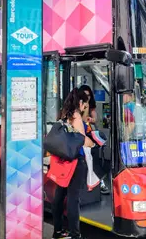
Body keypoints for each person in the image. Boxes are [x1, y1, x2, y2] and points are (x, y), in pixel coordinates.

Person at [51, 88, 94, 239]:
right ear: (80, 102)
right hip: (75, 162)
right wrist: (93, 142)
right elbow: (82, 141)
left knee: (59, 196)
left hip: (62, 161)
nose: (84, 108)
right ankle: (75, 234)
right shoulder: (76, 116)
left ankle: (57, 231)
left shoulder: (63, 114)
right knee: (73, 199)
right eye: (85, 105)